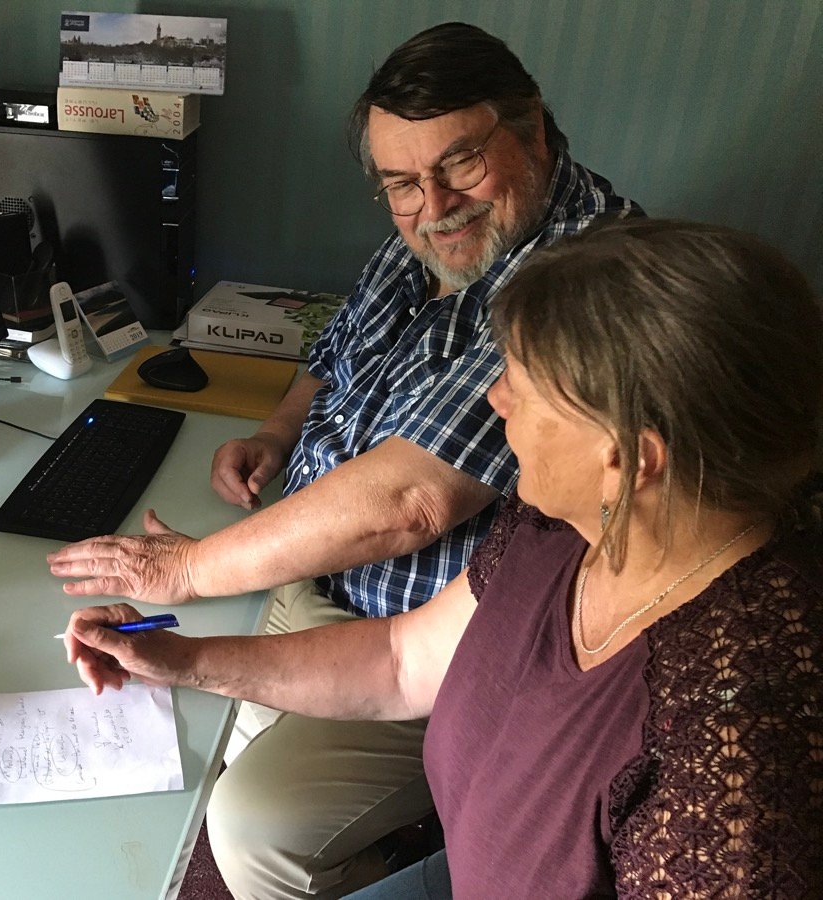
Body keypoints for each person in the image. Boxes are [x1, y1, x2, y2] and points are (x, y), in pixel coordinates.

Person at [62, 219, 823, 898]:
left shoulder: (736, 760)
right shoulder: (561, 524)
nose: (494, 402)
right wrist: (184, 659)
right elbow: (402, 658)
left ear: (627, 459)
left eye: (521, 388)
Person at [48, 22, 638, 898]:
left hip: (421, 639)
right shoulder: (427, 240)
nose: (433, 206)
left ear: (535, 131)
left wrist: (197, 569)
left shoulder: (573, 281)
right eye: (402, 183)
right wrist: (276, 437)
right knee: (140, 725)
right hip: (324, 579)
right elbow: (335, 359)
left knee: (248, 830)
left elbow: (412, 503)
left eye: (460, 164)